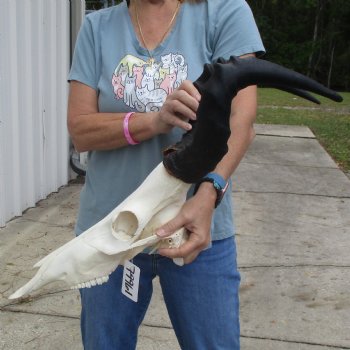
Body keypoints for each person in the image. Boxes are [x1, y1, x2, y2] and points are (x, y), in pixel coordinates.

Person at [67, 0, 265, 348]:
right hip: (111, 231)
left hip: (196, 228)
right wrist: (153, 121)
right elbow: (81, 130)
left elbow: (241, 122)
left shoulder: (223, 13)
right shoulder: (97, 27)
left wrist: (209, 193)